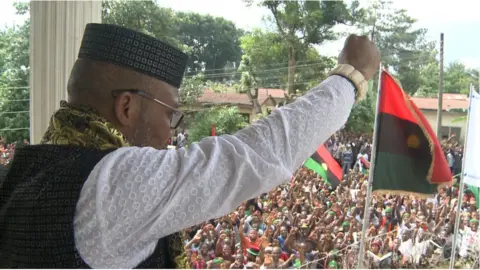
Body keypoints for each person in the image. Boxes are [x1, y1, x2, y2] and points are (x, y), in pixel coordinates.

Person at [0, 22, 380, 268]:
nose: (171, 135)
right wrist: (349, 78)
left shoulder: (18, 175)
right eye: (169, 114)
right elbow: (258, 154)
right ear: (127, 107)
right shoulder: (110, 186)